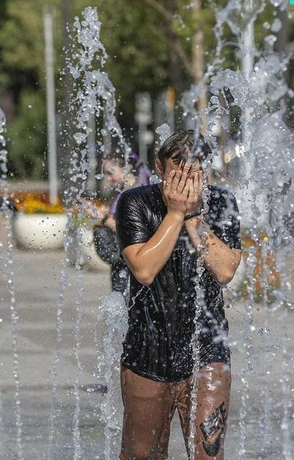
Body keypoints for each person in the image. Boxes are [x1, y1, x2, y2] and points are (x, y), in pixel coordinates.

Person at [115, 130, 241, 459]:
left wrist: (193, 215)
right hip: (148, 351)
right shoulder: (135, 202)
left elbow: (226, 270)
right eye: (179, 168)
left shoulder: (222, 203)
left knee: (208, 454)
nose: (188, 177)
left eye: (196, 168)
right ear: (159, 167)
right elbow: (143, 270)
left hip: (207, 352)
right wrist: (174, 213)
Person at [89, 152, 149, 296]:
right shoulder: (121, 192)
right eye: (105, 174)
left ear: (126, 168)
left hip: (131, 262)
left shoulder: (135, 192)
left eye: (110, 173)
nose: (108, 179)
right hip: (123, 260)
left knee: (128, 304)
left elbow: (132, 229)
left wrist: (103, 219)